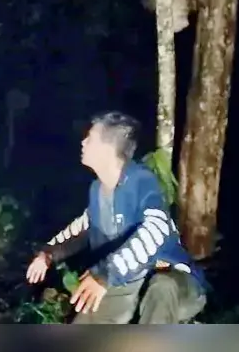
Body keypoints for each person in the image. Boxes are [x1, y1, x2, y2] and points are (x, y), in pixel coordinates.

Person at [25, 111, 209, 324]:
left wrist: (104, 273)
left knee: (161, 286)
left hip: (174, 280)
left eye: (90, 138)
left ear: (107, 149)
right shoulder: (97, 190)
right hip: (126, 282)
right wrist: (48, 254)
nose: (83, 142)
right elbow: (82, 229)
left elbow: (156, 229)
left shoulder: (141, 180)